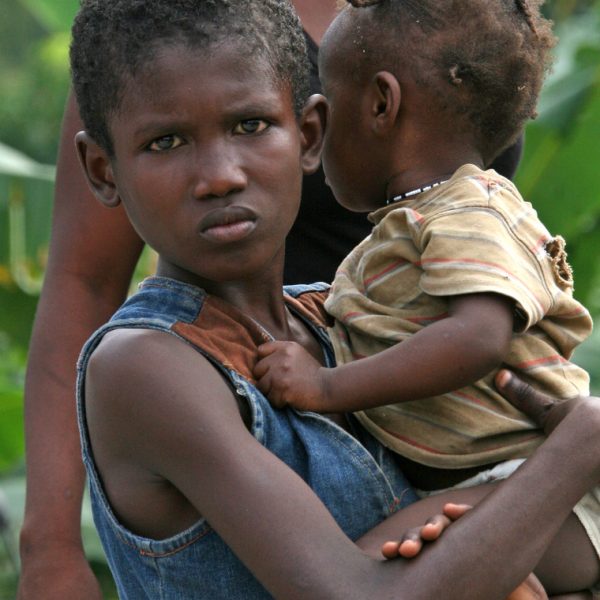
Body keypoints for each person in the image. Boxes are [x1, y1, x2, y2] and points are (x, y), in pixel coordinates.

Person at [63, 0, 600, 598]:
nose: (219, 175)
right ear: (104, 170)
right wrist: (580, 444)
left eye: (250, 125)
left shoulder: (342, 321)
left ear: (310, 135)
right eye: (166, 142)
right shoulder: (145, 367)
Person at [251, 0, 600, 595]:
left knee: (358, 578)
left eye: (327, 107)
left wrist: (325, 387)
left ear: (381, 105)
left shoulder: (470, 213)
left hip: (544, 490)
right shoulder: (410, 224)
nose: (313, 131)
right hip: (495, 483)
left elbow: (479, 338)